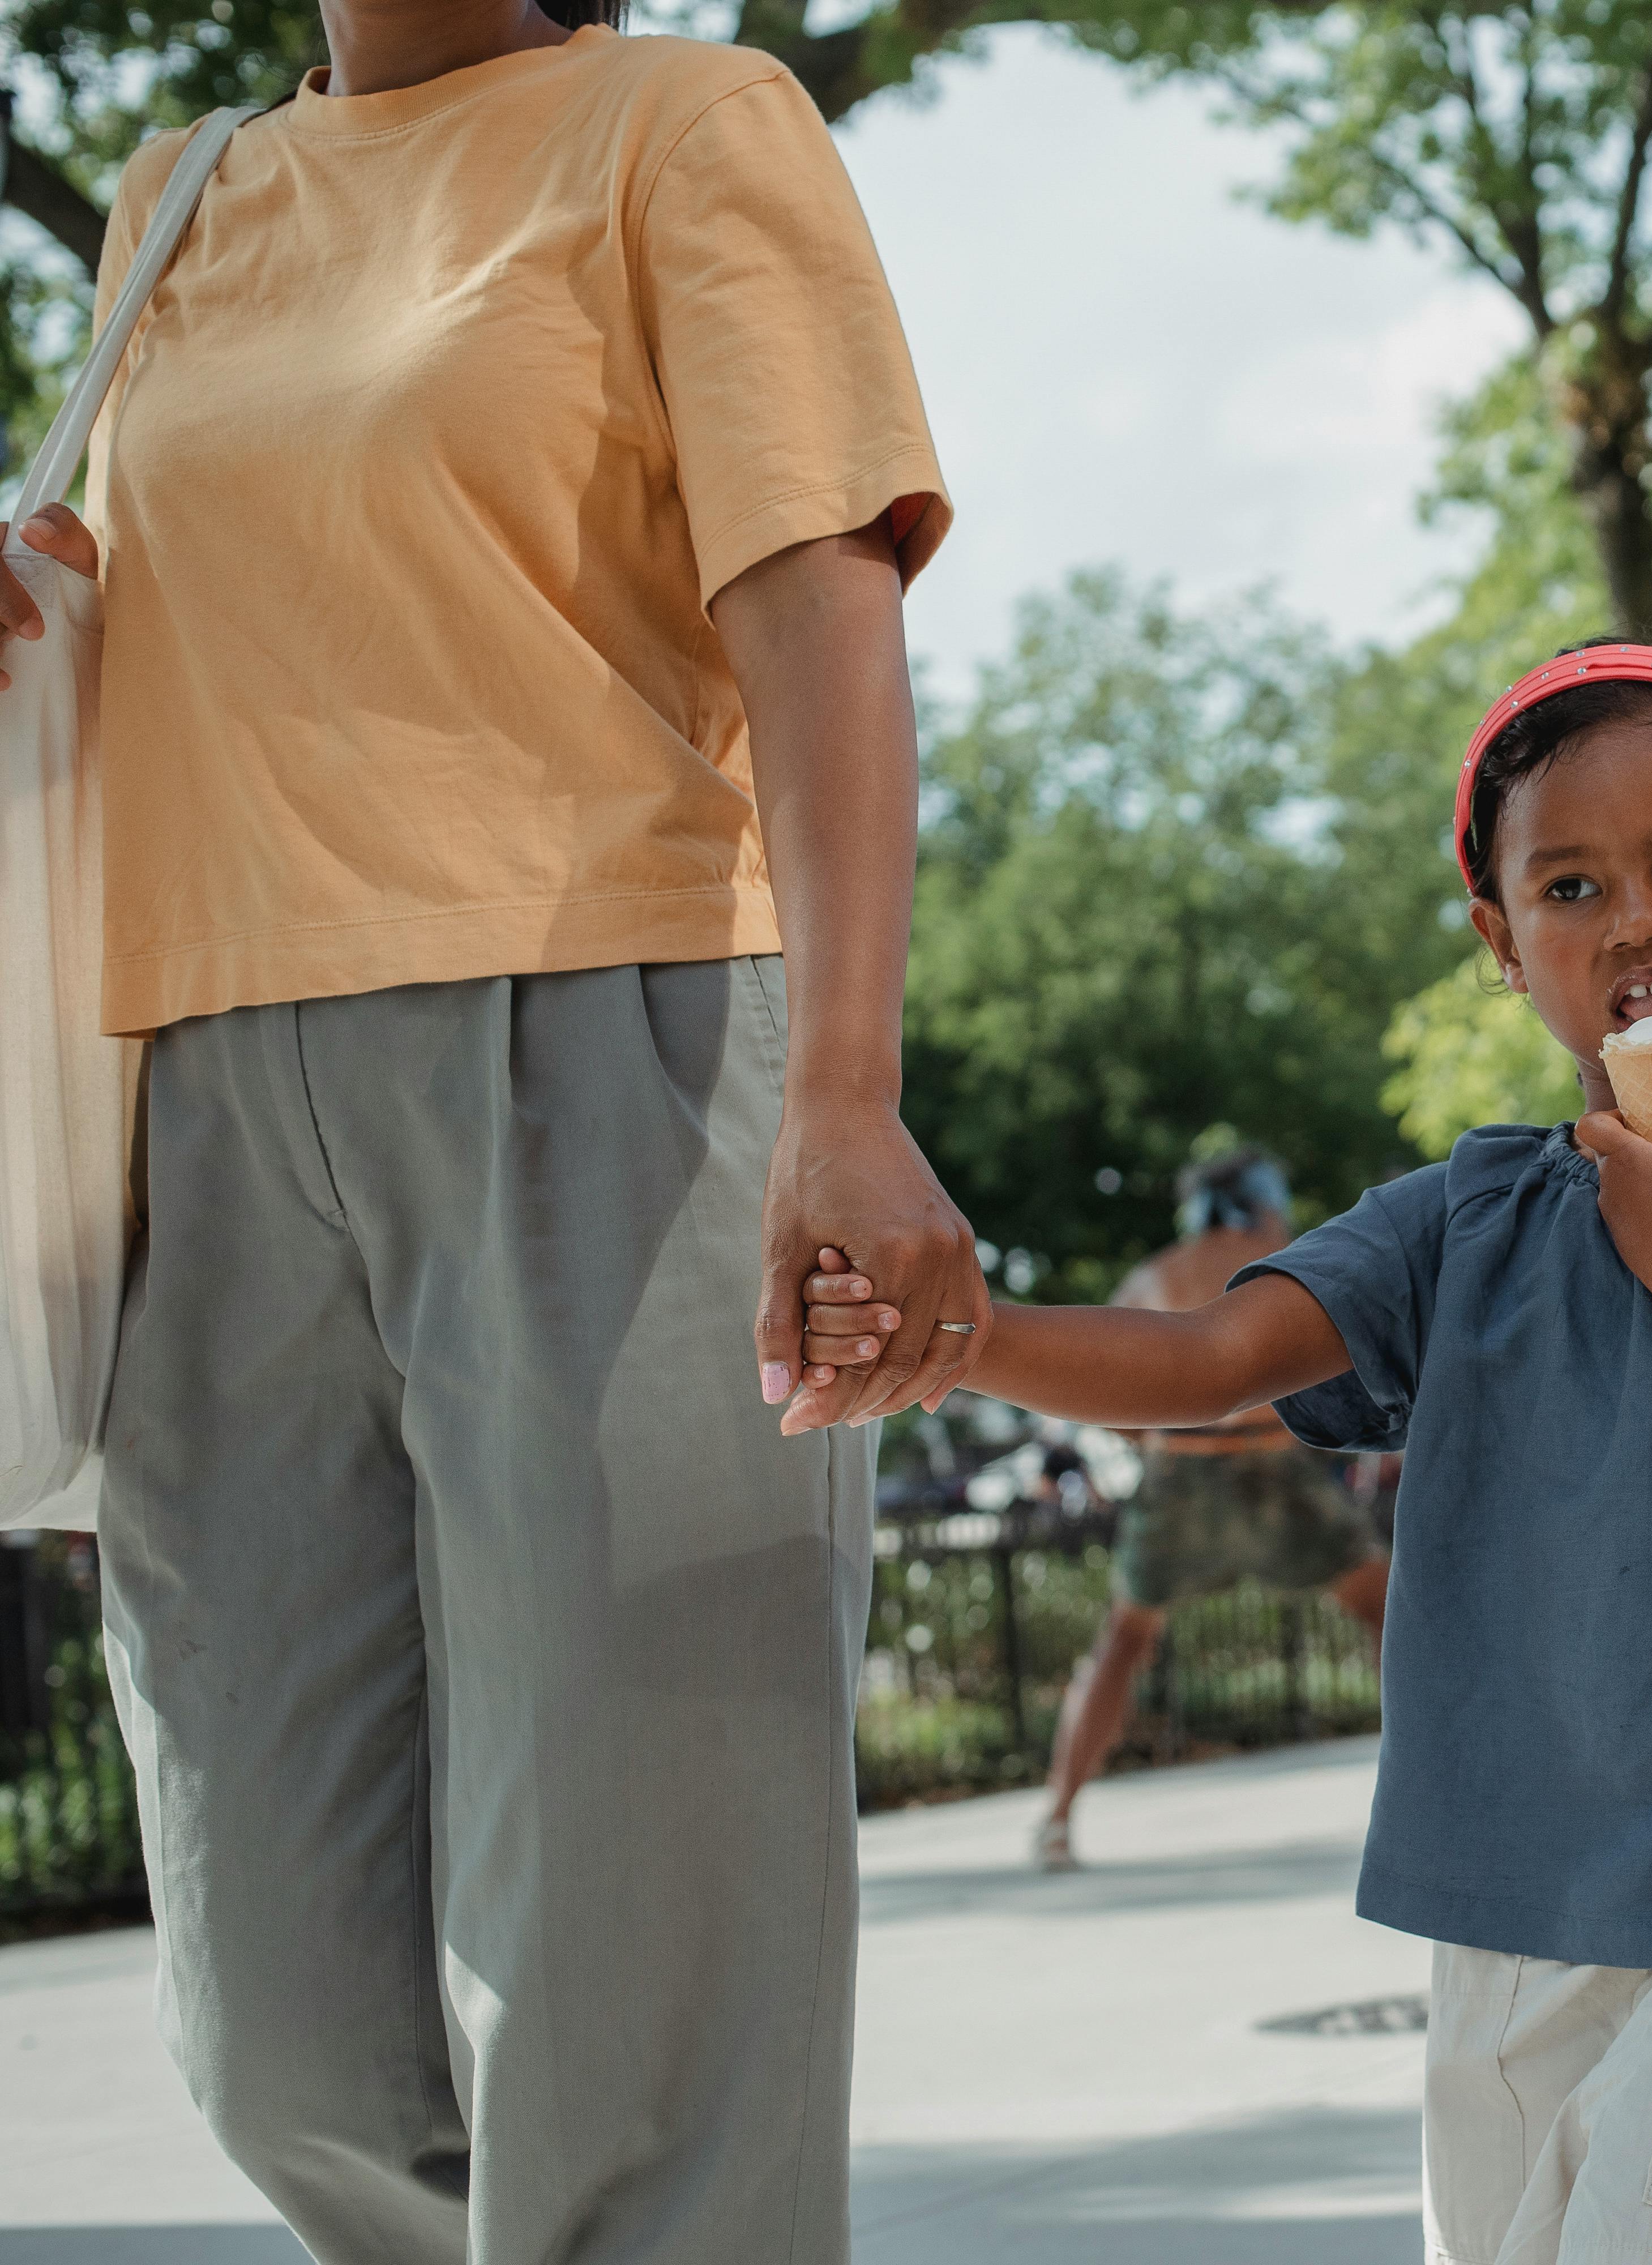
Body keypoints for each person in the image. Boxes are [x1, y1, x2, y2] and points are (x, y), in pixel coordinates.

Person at [17, 5, 982, 2255]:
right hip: (212, 1114)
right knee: (282, 2036)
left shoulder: (683, 124)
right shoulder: (174, 201)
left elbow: (819, 605)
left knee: (647, 2007)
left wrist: (841, 1091)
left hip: (621, 1065)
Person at [790, 641, 1652, 2264]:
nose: (1636, 920)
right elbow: (1210, 1362)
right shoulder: (1469, 1218)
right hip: (1523, 1902)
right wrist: (951, 1340)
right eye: (1569, 888)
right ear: (1501, 940)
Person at [1032, 1146, 1389, 1870]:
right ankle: (1442, 1777)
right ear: (1264, 1200)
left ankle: (1058, 1820)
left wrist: (1157, 1442)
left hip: (1182, 1470)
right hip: (1270, 1463)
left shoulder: (1155, 1271)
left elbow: (1114, 1395)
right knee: (1394, 1612)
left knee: (1123, 1642)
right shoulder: (1293, 1252)